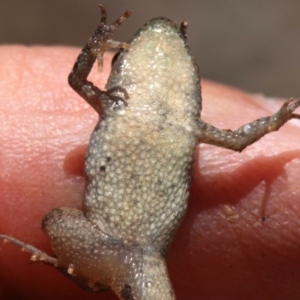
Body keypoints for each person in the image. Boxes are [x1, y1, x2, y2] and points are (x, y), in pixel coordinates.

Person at [1, 46, 299, 300]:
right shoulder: (184, 124)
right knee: (56, 220)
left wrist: (94, 47)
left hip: (133, 253)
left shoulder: (121, 106)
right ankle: (96, 277)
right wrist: (275, 119)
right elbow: (238, 140)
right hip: (128, 252)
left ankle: (96, 277)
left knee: (55, 220)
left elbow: (78, 79)